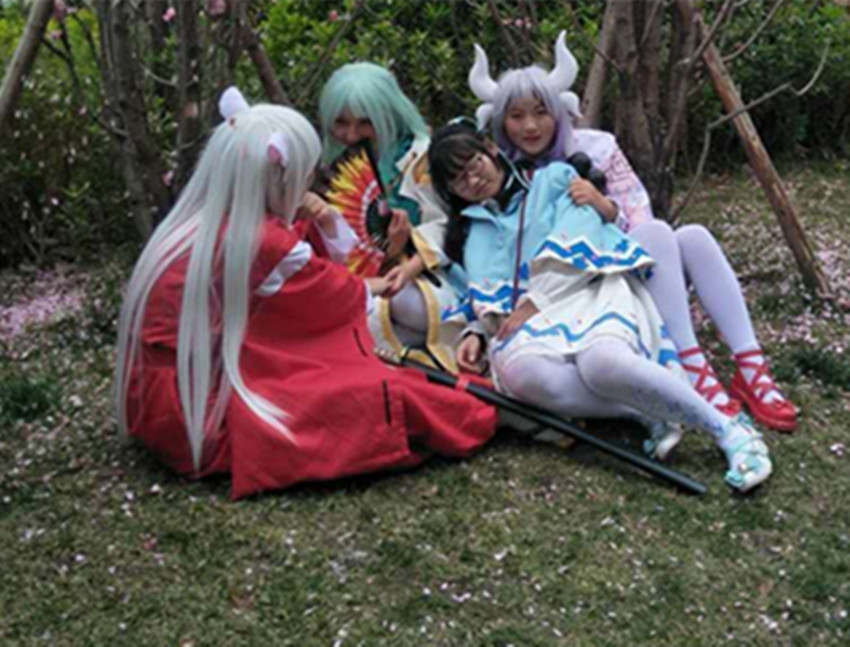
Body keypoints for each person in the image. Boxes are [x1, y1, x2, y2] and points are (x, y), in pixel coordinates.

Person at [113, 88, 496, 499]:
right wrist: (366, 272)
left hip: (163, 398)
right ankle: (473, 412)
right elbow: (331, 293)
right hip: (200, 409)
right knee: (375, 394)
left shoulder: (197, 225)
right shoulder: (261, 240)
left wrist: (329, 224)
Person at [467, 32, 797, 433]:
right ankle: (689, 364)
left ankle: (749, 365)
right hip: (573, 285)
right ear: (500, 122)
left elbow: (639, 218)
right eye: (516, 116)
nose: (531, 126)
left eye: (540, 112)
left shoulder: (597, 148)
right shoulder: (501, 173)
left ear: (558, 110)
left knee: (688, 236)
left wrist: (604, 207)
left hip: (623, 261)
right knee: (659, 235)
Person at [429, 121, 773, 492]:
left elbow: (584, 233)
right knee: (522, 375)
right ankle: (645, 411)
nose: (472, 180)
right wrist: (476, 333)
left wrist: (536, 300)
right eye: (459, 179)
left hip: (586, 290)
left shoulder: (555, 179)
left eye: (474, 164)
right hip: (528, 324)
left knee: (602, 363)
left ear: (491, 150)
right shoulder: (471, 232)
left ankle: (729, 430)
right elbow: (480, 291)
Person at [318, 62, 464, 371]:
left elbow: (449, 223)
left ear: (388, 115)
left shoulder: (421, 157)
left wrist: (409, 260)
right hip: (361, 277)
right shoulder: (328, 166)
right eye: (340, 122)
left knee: (394, 303)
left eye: (365, 123)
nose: (351, 134)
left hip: (427, 276)